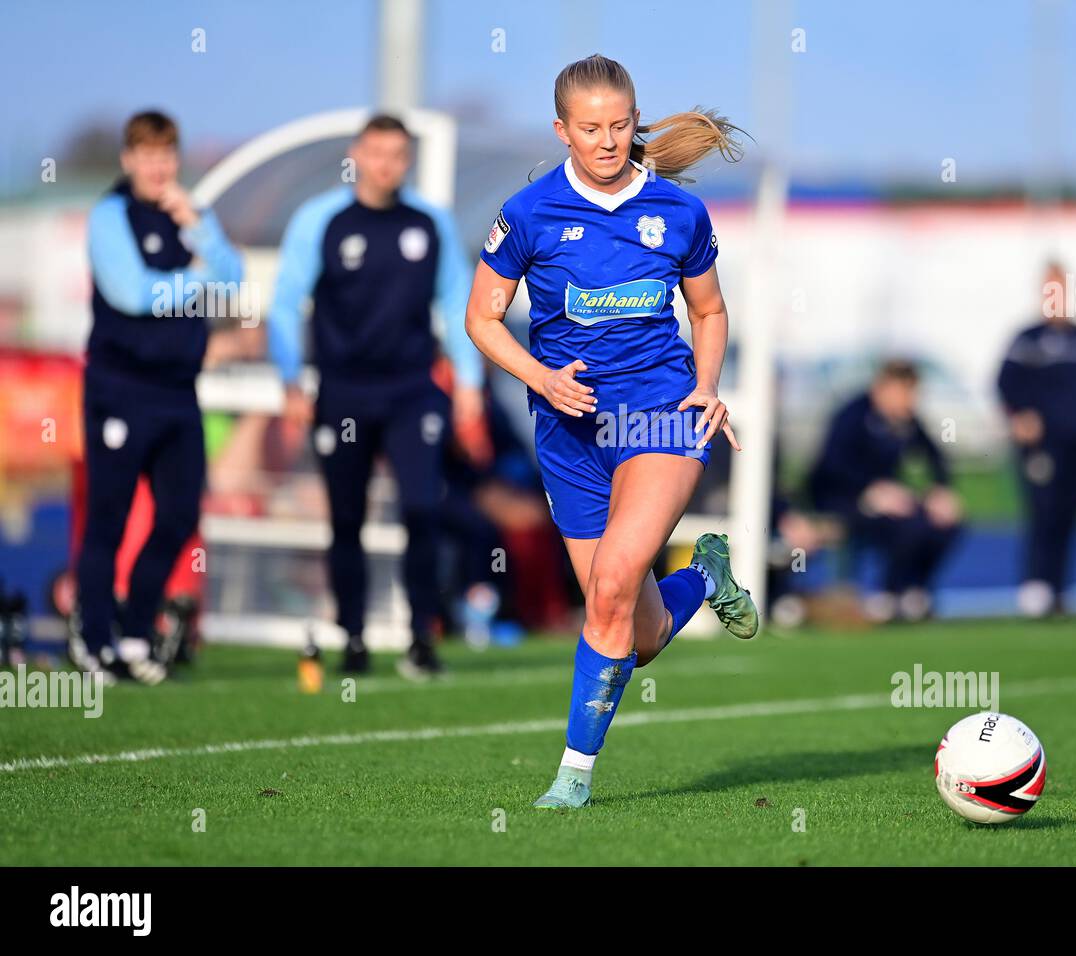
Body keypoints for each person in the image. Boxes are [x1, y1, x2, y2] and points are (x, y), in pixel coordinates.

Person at [465, 55, 757, 809]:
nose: (607, 141)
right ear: (561, 130)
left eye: (620, 125)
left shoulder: (679, 214)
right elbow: (481, 319)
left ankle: (573, 777)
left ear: (635, 122)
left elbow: (710, 311)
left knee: (613, 588)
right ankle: (706, 576)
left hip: (659, 414)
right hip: (568, 432)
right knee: (636, 633)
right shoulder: (527, 214)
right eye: (590, 128)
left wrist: (707, 385)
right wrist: (540, 378)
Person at [268, 114, 485, 677]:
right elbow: (286, 303)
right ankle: (355, 638)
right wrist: (291, 379)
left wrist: (468, 386)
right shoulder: (321, 221)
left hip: (412, 392)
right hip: (343, 394)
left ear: (407, 160)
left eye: (397, 154)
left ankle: (421, 639)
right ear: (357, 155)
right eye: (376, 152)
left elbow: (460, 305)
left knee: (422, 510)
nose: (386, 164)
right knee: (345, 519)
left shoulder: (429, 224)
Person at [73, 110, 243, 684]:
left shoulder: (191, 216)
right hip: (120, 389)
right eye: (146, 155)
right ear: (128, 159)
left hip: (178, 392)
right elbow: (133, 294)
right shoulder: (110, 215)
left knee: (179, 516)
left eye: (166, 155)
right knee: (109, 518)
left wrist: (198, 230)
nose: (157, 166)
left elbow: (235, 285)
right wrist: (198, 280)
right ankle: (93, 638)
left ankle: (137, 631)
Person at [997, 260, 1076, 617]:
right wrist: (1020, 416)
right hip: (1044, 447)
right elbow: (1006, 385)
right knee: (1044, 512)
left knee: (1070, 515)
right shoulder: (1028, 340)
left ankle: (1060, 590)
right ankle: (1036, 587)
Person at [810, 360, 963, 621]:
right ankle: (889, 593)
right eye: (903, 392)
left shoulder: (908, 421)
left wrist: (940, 490)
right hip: (841, 497)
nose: (909, 400)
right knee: (905, 525)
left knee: (943, 524)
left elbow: (935, 457)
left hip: (889, 498)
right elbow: (832, 466)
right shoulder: (852, 416)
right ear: (883, 389)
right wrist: (869, 490)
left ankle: (914, 591)